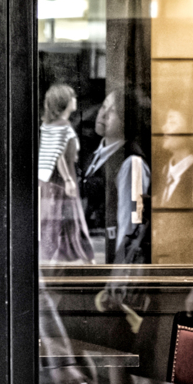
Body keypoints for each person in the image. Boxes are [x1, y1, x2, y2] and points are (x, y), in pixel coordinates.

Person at [78, 88, 150, 264]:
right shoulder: (95, 155)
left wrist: (119, 271)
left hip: (107, 259)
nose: (103, 115)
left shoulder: (132, 163)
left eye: (113, 112)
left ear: (127, 120)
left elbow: (131, 223)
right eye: (103, 107)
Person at [38, 84, 94, 263]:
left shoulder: (49, 125)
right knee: (67, 217)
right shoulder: (63, 126)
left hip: (53, 180)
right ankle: (83, 256)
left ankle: (73, 255)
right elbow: (58, 155)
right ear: (65, 101)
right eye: (72, 97)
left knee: (60, 219)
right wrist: (68, 180)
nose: (75, 100)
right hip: (62, 180)